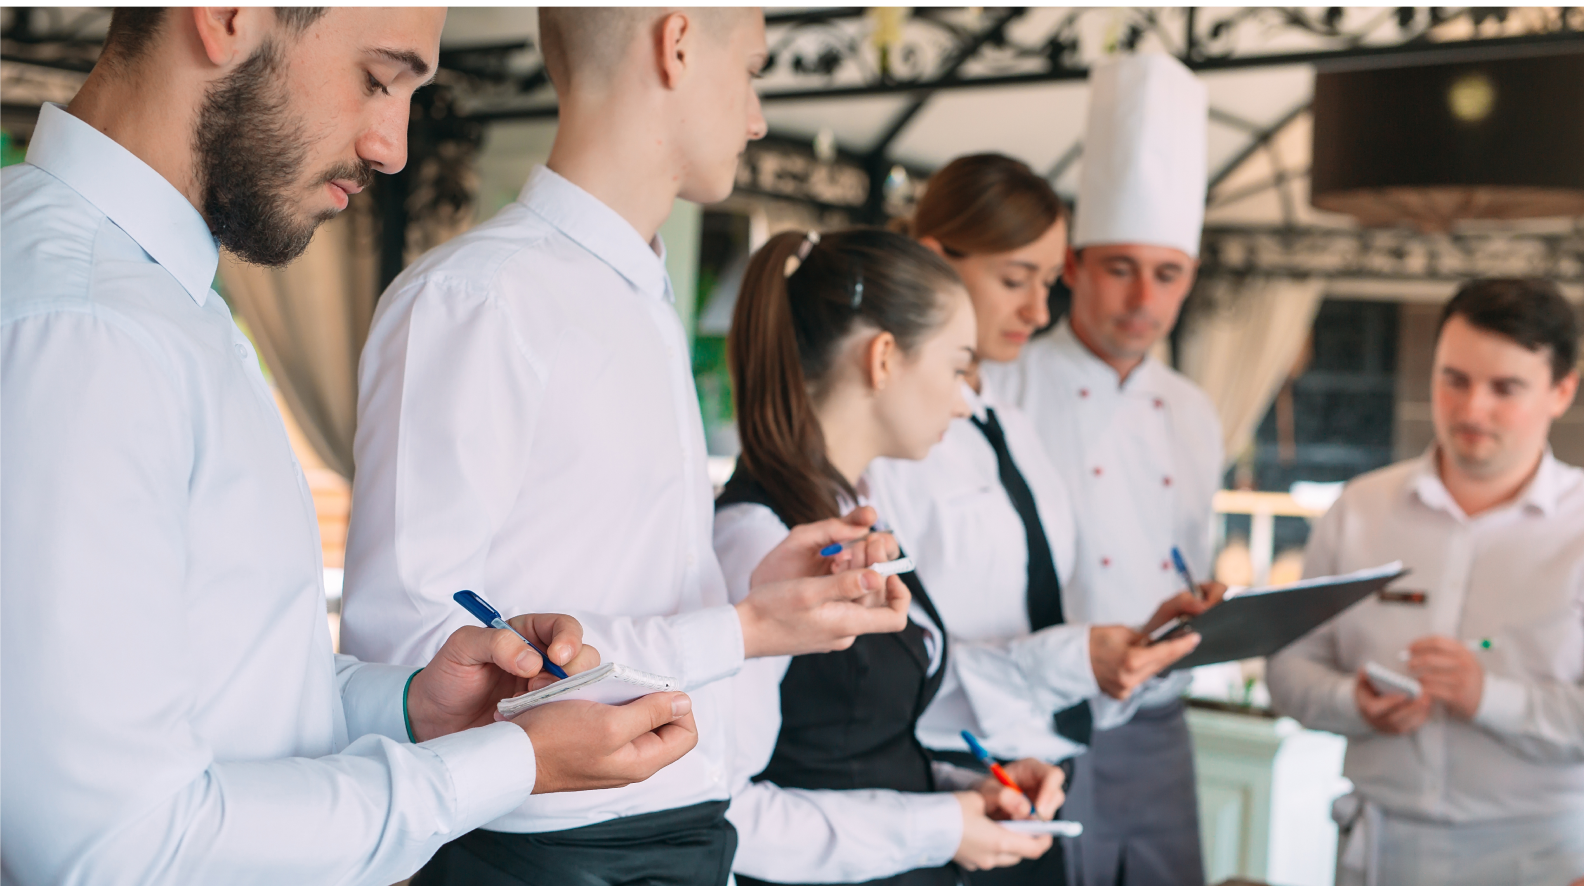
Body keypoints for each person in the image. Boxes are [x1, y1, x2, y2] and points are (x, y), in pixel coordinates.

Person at [0, 7, 702, 886]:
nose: (392, 148)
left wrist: (415, 706)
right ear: (225, 18)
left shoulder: (154, 302)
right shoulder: (87, 325)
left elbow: (231, 691)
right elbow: (116, 845)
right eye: (377, 80)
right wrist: (515, 764)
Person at [338, 8, 911, 886]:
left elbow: (608, 572)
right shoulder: (477, 299)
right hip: (538, 854)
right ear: (677, 43)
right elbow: (415, 650)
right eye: (753, 71)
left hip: (687, 830)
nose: (757, 118)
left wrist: (758, 598)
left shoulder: (640, 294)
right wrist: (740, 629)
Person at [871, 153, 1221, 886]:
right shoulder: (892, 434)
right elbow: (894, 668)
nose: (1037, 309)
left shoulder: (1010, 428)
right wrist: (1079, 659)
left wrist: (1135, 640)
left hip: (1033, 767)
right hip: (942, 782)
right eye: (1014, 281)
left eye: (1043, 281)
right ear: (937, 260)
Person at [714, 228, 1072, 885]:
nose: (965, 400)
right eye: (958, 366)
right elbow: (723, 814)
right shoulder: (756, 539)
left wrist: (966, 787)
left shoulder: (854, 512)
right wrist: (942, 828)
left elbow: (850, 743)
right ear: (883, 358)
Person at [983, 54, 1221, 886]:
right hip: (1036, 720)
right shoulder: (997, 385)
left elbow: (1189, 552)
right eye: (1121, 268)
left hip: (1162, 724)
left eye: (1168, 274)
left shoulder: (1194, 410)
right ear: (1075, 266)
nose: (1142, 299)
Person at [1268, 278, 1584, 886]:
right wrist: (1350, 703)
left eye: (1505, 389)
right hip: (1381, 847)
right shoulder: (1359, 509)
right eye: (1454, 379)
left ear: (1562, 391)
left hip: (1546, 854)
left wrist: (1488, 697)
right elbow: (1287, 669)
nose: (1471, 410)